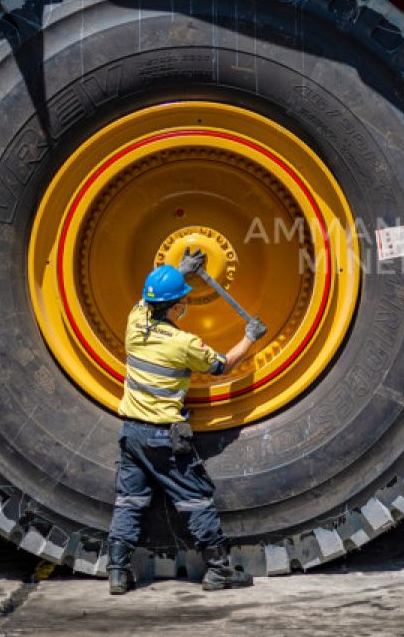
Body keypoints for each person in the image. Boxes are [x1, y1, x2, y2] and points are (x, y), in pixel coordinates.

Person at [106, 249, 266, 595]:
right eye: (182, 301)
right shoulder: (184, 343)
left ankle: (118, 573)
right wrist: (250, 337)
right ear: (178, 306)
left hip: (131, 434)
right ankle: (218, 571)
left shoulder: (134, 323)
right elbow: (223, 365)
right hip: (164, 437)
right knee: (196, 499)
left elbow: (144, 301)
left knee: (129, 502)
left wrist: (179, 271)